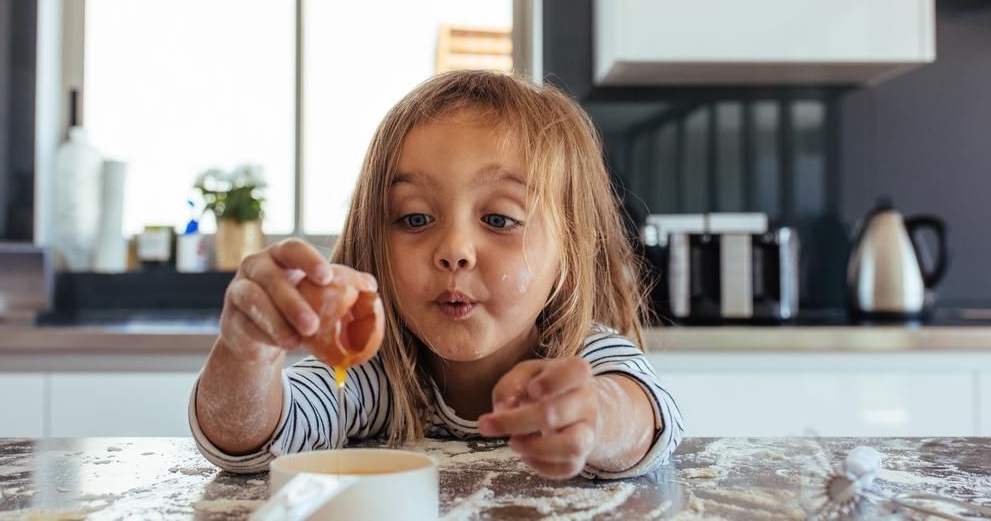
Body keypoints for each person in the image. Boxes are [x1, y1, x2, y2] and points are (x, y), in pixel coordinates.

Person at [190, 69, 683, 479]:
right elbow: (254, 439)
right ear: (375, 245)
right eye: (415, 218)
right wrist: (247, 353)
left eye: (499, 220)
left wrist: (592, 416)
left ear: (569, 259)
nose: (453, 252)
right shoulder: (374, 375)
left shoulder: (585, 359)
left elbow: (642, 417)